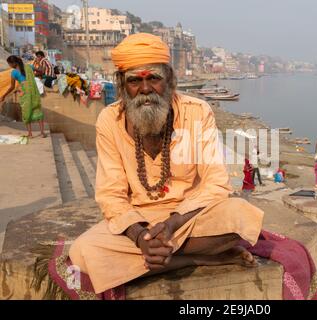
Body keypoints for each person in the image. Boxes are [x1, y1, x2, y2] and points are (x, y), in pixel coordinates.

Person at [68, 33, 264, 295]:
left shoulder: (197, 111)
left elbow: (216, 182)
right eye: (135, 81)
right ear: (122, 85)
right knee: (82, 252)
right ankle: (198, 258)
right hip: (139, 220)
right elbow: (111, 195)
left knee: (242, 216)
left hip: (189, 216)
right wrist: (140, 237)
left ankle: (158, 256)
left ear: (169, 80)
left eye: (154, 79)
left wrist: (172, 225)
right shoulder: (108, 120)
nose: (145, 89)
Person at [0, 55, 46, 138]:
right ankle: (42, 133)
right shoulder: (29, 67)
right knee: (37, 110)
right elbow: (41, 71)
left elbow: (12, 87)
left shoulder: (14, 72)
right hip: (34, 92)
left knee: (26, 112)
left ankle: (30, 134)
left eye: (9, 64)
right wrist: (39, 63)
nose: (9, 66)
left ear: (13, 63)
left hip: (24, 93)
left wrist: (4, 95)